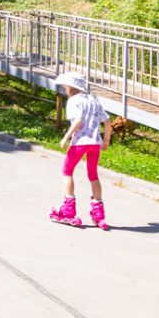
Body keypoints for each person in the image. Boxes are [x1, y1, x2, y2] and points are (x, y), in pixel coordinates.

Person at [50, 71, 112, 229]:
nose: (64, 88)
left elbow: (78, 120)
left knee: (67, 171)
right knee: (93, 175)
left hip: (79, 143)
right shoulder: (92, 100)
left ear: (71, 87)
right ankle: (99, 213)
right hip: (95, 143)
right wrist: (106, 140)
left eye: (65, 86)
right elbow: (107, 120)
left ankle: (68, 208)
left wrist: (65, 137)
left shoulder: (73, 101)